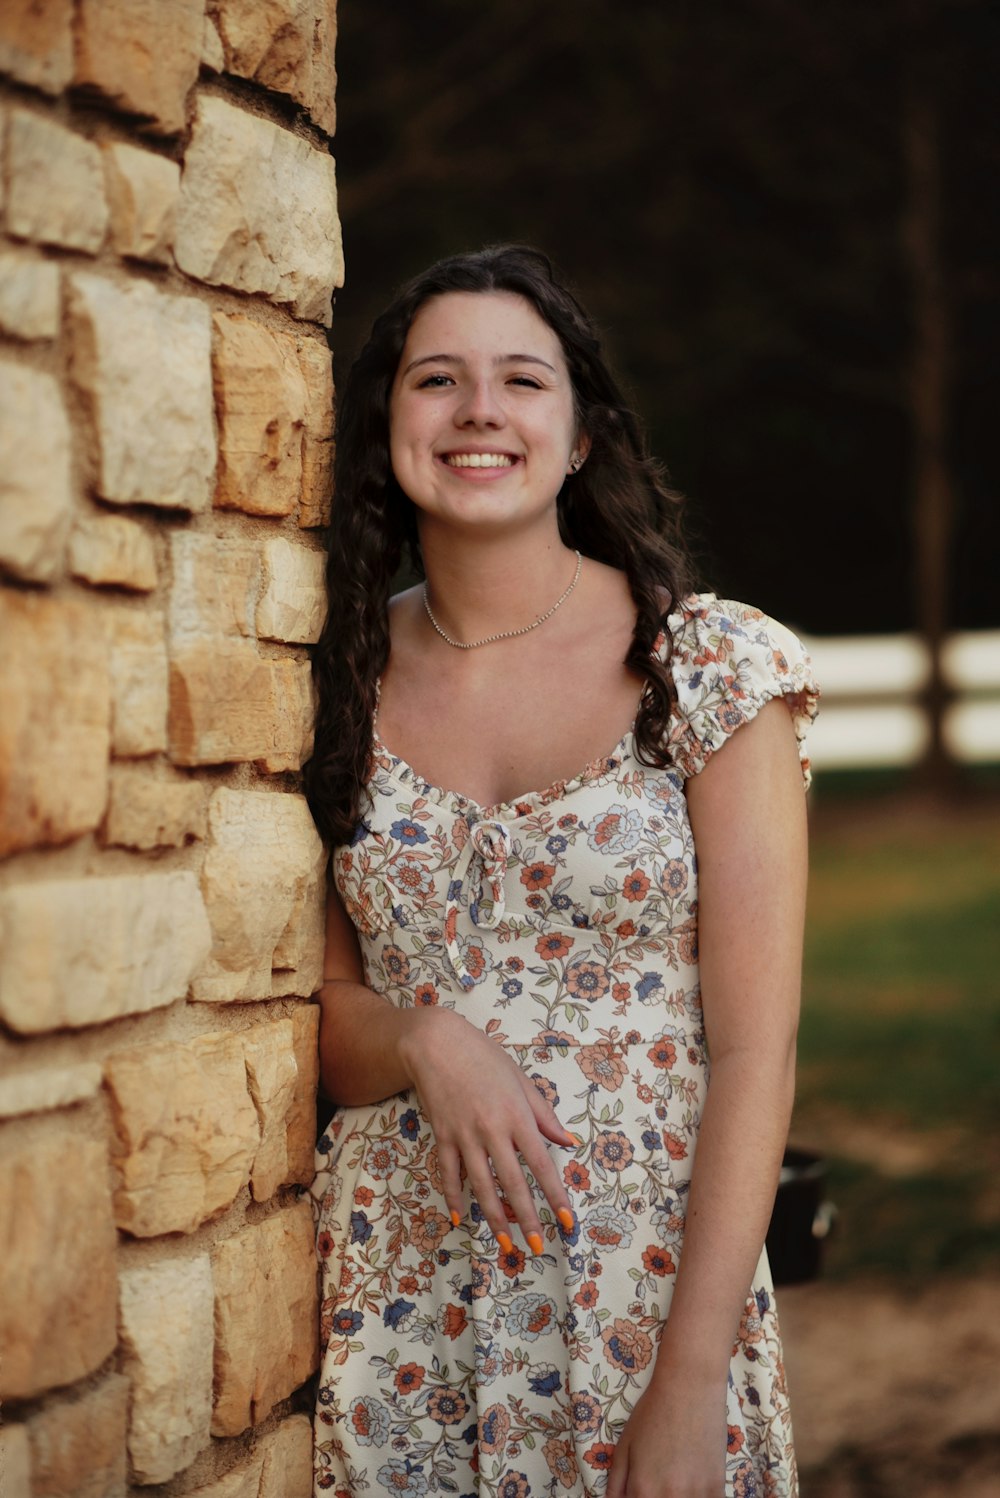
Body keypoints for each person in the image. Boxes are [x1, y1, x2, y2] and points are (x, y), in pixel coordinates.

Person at [305, 244, 818, 1498]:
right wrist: (427, 1038)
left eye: (521, 380)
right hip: (398, 1305)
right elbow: (318, 1012)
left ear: (578, 435)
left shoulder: (706, 664)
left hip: (643, 1292)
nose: (480, 409)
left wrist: (689, 1378)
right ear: (388, 427)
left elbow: (758, 1048)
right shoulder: (328, 682)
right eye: (437, 379)